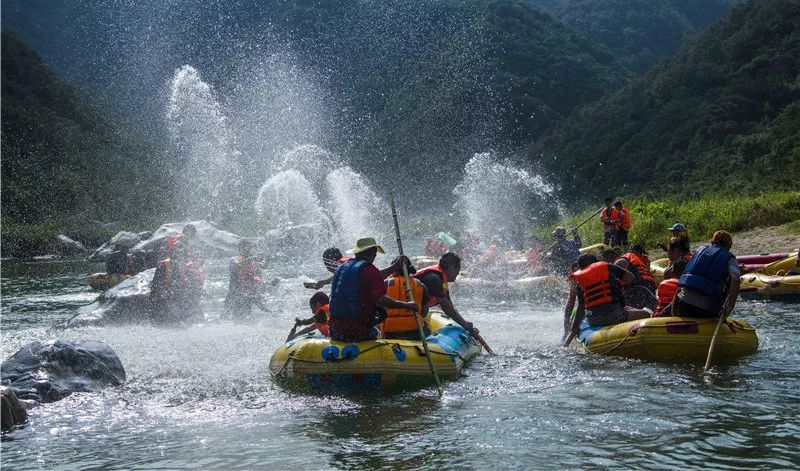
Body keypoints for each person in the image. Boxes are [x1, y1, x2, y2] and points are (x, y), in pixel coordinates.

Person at [328, 237, 418, 342]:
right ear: (373, 252)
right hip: (355, 331)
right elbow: (381, 300)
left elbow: (375, 277)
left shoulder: (343, 266)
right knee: (381, 315)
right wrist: (406, 305)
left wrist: (395, 266)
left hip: (334, 329)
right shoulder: (369, 270)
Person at [564, 254, 652, 344]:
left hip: (594, 321)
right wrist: (617, 284)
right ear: (596, 262)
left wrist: (574, 328)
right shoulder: (607, 267)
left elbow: (581, 307)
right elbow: (630, 277)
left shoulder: (580, 280)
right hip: (616, 316)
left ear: (581, 267)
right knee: (647, 313)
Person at [673, 230, 740, 318]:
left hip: (683, 303)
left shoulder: (700, 251)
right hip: (706, 309)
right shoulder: (730, 259)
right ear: (729, 245)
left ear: (712, 242)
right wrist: (730, 307)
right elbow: (735, 279)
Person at [413, 252, 480, 337]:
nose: (458, 272)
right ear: (450, 268)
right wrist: (464, 324)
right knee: (426, 332)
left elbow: (450, 305)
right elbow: (446, 307)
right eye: (457, 268)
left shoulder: (441, 279)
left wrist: (465, 324)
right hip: (406, 310)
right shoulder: (434, 278)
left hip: (414, 310)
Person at [150, 240, 205, 324]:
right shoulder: (163, 265)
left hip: (180, 301)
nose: (178, 255)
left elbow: (191, 288)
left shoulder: (187, 268)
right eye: (176, 252)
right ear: (171, 254)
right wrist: (163, 294)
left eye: (180, 253)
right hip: (164, 300)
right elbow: (155, 286)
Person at [381, 257, 430, 340]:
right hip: (415, 331)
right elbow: (424, 313)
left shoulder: (385, 284)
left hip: (391, 333)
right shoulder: (421, 285)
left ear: (394, 269)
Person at [225, 239, 266, 318]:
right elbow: (238, 265)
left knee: (246, 316)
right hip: (235, 293)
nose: (248, 251)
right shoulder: (234, 259)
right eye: (245, 249)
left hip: (248, 294)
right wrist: (252, 258)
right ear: (240, 249)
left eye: (249, 249)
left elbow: (260, 273)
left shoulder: (253, 262)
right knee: (234, 315)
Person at [614, 243, 657, 309]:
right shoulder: (636, 259)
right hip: (651, 285)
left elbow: (614, 275)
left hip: (639, 286)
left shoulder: (623, 258)